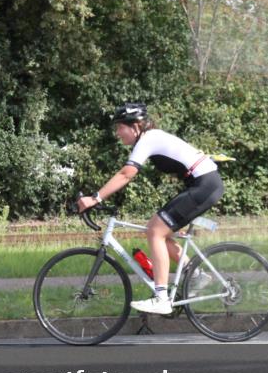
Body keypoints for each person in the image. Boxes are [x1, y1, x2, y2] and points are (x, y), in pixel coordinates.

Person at [77, 102, 223, 314]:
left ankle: (161, 298)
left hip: (205, 184)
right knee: (157, 230)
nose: (118, 133)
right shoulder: (151, 138)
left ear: (136, 126)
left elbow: (126, 174)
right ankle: (197, 275)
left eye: (120, 127)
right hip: (203, 184)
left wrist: (95, 198)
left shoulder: (148, 138)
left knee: (155, 231)